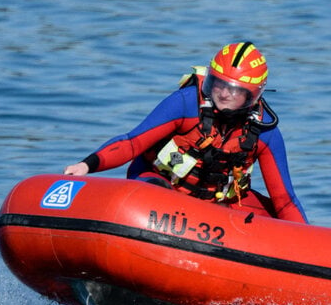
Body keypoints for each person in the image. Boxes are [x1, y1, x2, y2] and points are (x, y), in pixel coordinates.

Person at [64, 42, 308, 223]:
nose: (223, 94)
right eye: (219, 84)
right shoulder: (185, 103)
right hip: (158, 184)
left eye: (234, 90)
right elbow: (131, 143)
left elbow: (285, 199)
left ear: (252, 96)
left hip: (216, 204)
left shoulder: (265, 132)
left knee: (277, 218)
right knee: (154, 196)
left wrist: (308, 243)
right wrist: (86, 166)